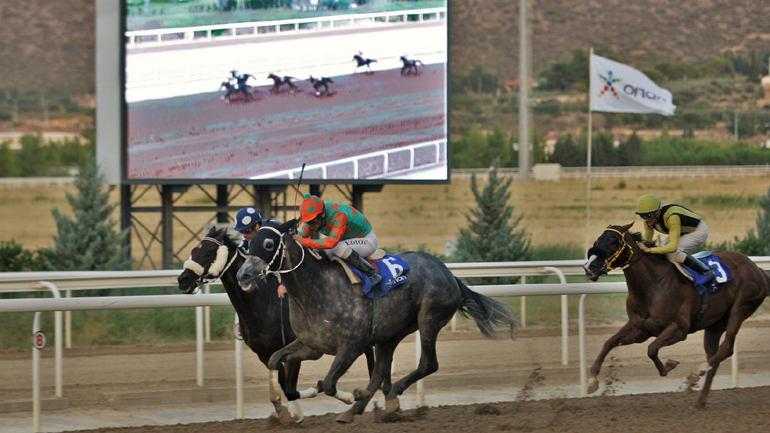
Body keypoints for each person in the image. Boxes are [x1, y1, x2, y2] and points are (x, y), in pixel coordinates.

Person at [289, 193, 382, 296]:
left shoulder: (339, 215)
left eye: (313, 222)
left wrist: (305, 241)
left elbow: (332, 242)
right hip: (348, 242)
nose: (312, 226)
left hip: (367, 240)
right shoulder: (315, 216)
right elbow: (302, 239)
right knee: (319, 253)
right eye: (308, 222)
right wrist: (293, 237)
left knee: (339, 248)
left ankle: (372, 274)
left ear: (322, 214)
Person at [635, 194, 715, 283]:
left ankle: (705, 271)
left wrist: (649, 250)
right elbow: (647, 240)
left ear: (658, 212)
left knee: (670, 253)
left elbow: (673, 247)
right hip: (683, 231)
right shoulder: (648, 220)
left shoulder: (672, 216)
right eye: (642, 216)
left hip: (698, 231)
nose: (646, 219)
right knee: (662, 248)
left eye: (648, 215)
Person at [234, 206, 286, 294]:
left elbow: (289, 261)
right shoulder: (246, 238)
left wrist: (283, 284)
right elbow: (240, 254)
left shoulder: (274, 231)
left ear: (257, 226)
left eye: (247, 231)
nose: (244, 235)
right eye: (241, 232)